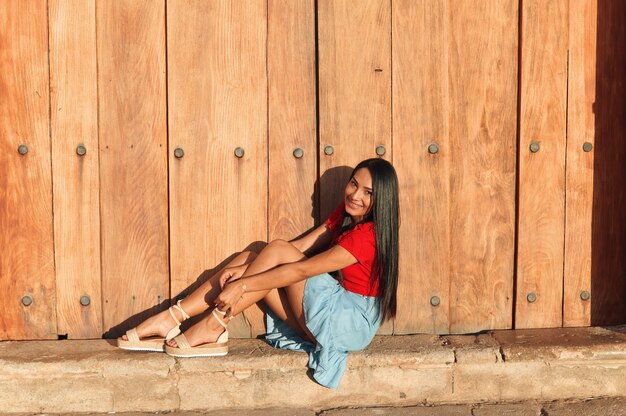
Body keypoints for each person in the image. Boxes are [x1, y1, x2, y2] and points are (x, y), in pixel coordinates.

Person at [118, 158, 399, 389]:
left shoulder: (367, 236)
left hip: (348, 323)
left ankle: (212, 325)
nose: (355, 195)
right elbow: (300, 247)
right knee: (251, 257)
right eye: (353, 184)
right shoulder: (347, 214)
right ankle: (173, 317)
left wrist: (243, 285)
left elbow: (302, 267)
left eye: (367, 193)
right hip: (332, 314)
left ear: (381, 200)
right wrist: (248, 270)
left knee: (274, 253)